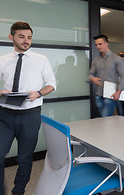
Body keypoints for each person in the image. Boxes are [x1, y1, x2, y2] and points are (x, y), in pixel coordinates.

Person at [0, 21, 56, 195]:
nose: (26, 41)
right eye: (21, 37)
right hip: (5, 115)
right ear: (11, 37)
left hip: (30, 115)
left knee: (25, 158)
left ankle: (19, 191)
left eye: (29, 37)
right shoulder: (2, 60)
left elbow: (52, 84)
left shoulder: (41, 60)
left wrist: (39, 93)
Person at [87, 35, 124, 117]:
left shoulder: (116, 59)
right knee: (104, 119)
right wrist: (92, 78)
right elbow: (89, 75)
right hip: (99, 94)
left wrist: (118, 92)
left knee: (105, 118)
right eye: (96, 45)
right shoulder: (96, 60)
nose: (98, 46)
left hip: (111, 95)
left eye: (100, 44)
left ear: (106, 43)